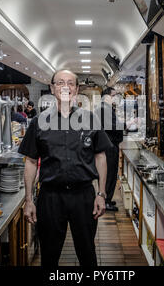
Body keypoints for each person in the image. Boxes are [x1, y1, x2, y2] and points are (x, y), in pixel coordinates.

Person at [19, 70, 112, 267]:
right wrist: (28, 200)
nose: (65, 87)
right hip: (50, 197)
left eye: (70, 83)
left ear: (76, 90)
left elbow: (101, 157)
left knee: (87, 253)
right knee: (49, 256)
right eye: (60, 82)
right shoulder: (38, 122)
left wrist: (101, 194)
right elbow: (31, 162)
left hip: (84, 196)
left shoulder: (91, 119)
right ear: (52, 88)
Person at [95, 87, 124, 211]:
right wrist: (127, 124)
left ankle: (108, 199)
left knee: (111, 173)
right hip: (109, 145)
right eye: (114, 95)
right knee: (110, 173)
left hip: (110, 144)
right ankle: (105, 200)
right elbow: (112, 126)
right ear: (107, 96)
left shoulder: (105, 108)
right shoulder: (104, 108)